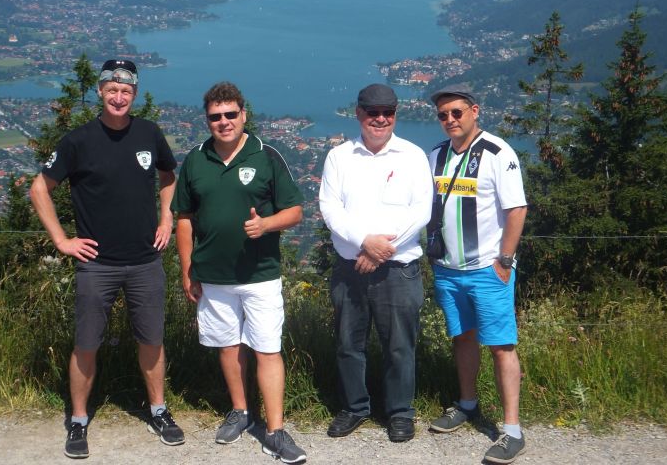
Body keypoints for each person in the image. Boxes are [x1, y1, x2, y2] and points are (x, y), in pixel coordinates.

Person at [30, 59, 183, 459]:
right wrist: (62, 240)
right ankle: (78, 419)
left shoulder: (149, 133)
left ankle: (159, 410)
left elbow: (169, 176)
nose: (118, 97)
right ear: (100, 91)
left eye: (126, 91)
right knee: (86, 344)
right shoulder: (78, 141)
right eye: (112, 90)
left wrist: (166, 218)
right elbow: (39, 188)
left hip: (145, 260)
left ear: (134, 94)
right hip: (96, 264)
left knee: (152, 340)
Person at [172, 81, 307, 464]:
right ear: (207, 120)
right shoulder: (196, 159)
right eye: (216, 117)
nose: (224, 122)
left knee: (267, 349)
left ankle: (275, 431)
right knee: (228, 346)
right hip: (213, 276)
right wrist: (187, 269)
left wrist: (266, 225)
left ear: (244, 114)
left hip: (260, 274)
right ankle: (240, 411)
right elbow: (184, 218)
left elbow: (295, 212)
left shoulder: (266, 155)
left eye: (231, 114)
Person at [319, 83, 433, 443]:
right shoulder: (339, 157)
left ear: (396, 114)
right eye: (373, 112)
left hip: (398, 269)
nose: (380, 119)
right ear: (359, 114)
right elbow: (330, 208)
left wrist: (381, 249)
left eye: (388, 112)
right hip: (350, 268)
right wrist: (364, 243)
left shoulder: (413, 156)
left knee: (399, 346)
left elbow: (422, 210)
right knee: (348, 344)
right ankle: (355, 407)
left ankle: (400, 412)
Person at [426, 84, 528, 464]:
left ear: (474, 111)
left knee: (501, 346)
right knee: (463, 338)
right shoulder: (435, 155)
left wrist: (505, 260)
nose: (450, 120)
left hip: (487, 269)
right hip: (448, 269)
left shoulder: (499, 153)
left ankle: (512, 431)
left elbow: (517, 209)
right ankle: (467, 404)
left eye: (457, 112)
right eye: (443, 115)